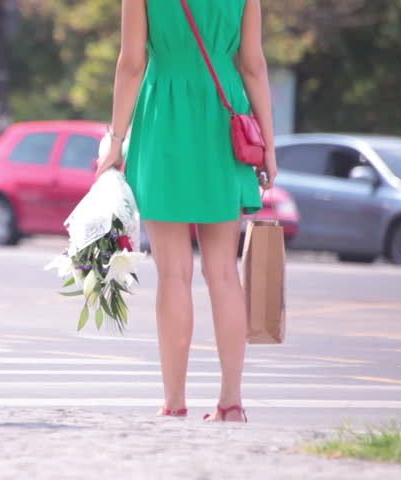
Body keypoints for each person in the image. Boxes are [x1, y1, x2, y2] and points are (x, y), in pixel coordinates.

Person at [96, 0, 277, 422]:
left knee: (174, 273)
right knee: (224, 272)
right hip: (223, 114)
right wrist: (268, 143)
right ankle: (231, 403)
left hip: (164, 118)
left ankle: (174, 403)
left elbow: (131, 64)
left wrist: (115, 138)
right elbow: (254, 66)